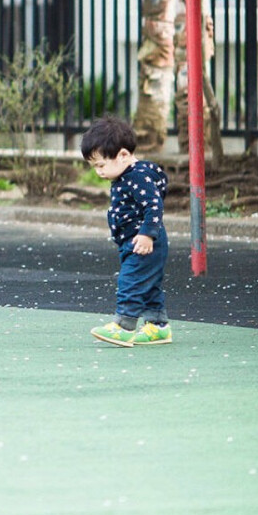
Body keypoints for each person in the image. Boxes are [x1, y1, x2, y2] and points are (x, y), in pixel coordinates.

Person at [80, 114, 172, 346]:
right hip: (133, 241)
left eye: (101, 165)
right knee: (149, 284)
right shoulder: (126, 175)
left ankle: (124, 325)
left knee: (130, 281)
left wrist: (147, 233)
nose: (98, 171)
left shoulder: (138, 177)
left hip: (144, 240)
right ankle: (157, 326)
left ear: (123, 155)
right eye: (94, 167)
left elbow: (153, 205)